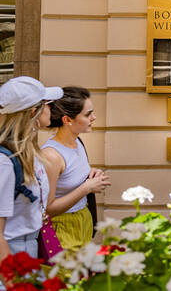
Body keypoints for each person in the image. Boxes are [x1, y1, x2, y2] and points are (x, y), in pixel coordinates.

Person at [0, 77, 62, 287]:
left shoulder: (29, 153)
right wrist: (14, 283)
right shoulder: (5, 161)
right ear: (32, 112)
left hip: (28, 256)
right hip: (11, 261)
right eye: (46, 104)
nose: (50, 108)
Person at [42, 87, 109, 251]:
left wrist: (90, 174)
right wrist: (86, 188)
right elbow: (48, 209)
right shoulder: (51, 156)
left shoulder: (77, 142)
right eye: (88, 114)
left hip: (83, 220)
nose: (94, 117)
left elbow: (70, 173)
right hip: (62, 228)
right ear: (67, 120)